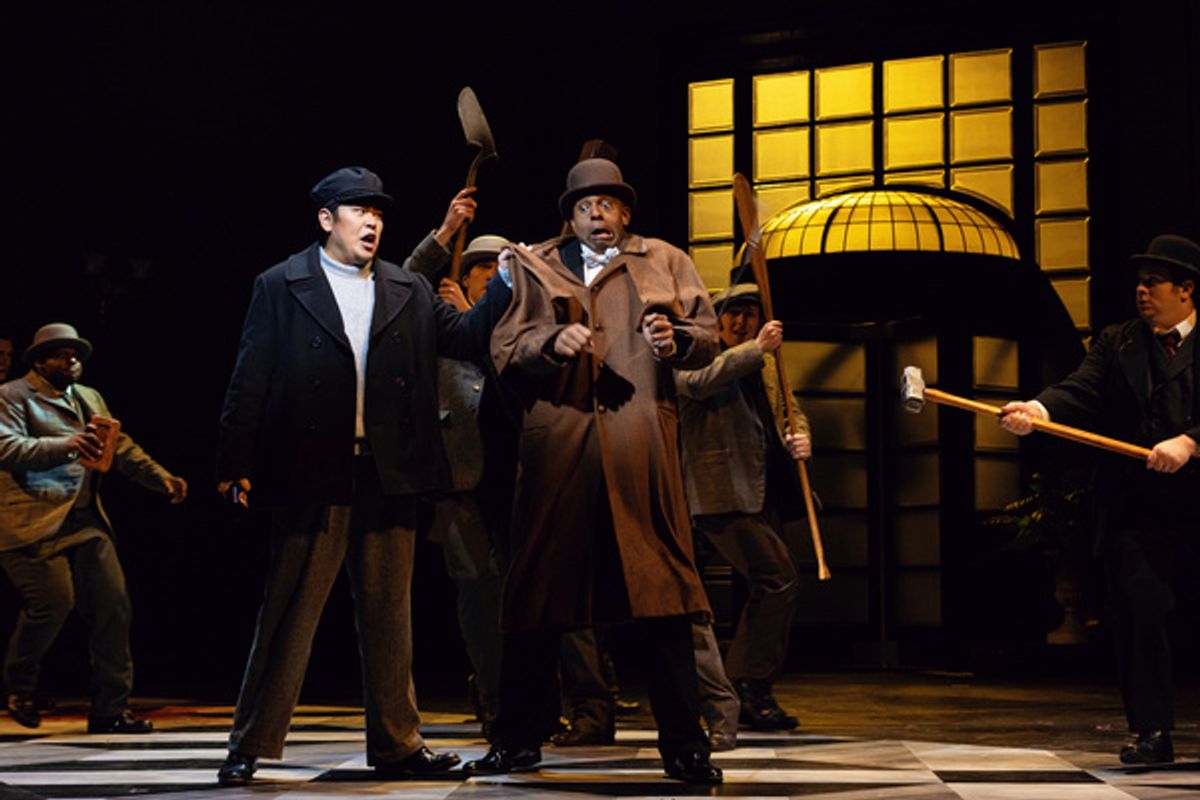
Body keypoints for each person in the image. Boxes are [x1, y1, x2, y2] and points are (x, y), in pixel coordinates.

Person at [214, 166, 485, 785]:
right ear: (325, 219)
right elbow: (249, 378)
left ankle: (398, 743)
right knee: (290, 610)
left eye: (379, 213)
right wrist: (235, 462)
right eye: (358, 210)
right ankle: (249, 742)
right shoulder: (283, 284)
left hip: (387, 471)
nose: (372, 221)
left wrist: (507, 290)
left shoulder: (403, 288)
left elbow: (466, 336)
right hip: (313, 470)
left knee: (391, 615)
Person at [463, 157, 724, 784]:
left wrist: (676, 341)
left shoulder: (665, 259)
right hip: (560, 446)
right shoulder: (538, 264)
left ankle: (686, 745)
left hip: (640, 448)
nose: (597, 215)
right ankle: (519, 738)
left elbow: (709, 335)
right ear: (570, 215)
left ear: (625, 212)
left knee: (662, 593)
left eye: (607, 204)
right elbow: (504, 346)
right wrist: (551, 344)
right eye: (585, 206)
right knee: (537, 596)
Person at [999, 233, 1200, 766]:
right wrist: (1038, 411)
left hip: (1195, 500)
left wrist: (1190, 440)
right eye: (1139, 281)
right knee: (1140, 612)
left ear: (1186, 290)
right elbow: (1080, 390)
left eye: (1153, 282)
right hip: (1137, 506)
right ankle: (1152, 730)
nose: (1142, 290)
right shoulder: (1120, 342)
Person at [0, 323, 187, 731]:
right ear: (39, 361)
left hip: (85, 522)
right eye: (62, 355)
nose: (72, 361)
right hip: (32, 524)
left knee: (113, 608)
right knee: (53, 604)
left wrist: (161, 478)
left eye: (75, 355)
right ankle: (18, 687)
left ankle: (110, 710)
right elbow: (7, 447)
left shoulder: (89, 397)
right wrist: (67, 444)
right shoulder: (12, 396)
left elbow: (119, 447)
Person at [675, 282, 810, 740]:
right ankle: (748, 687)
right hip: (720, 494)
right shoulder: (698, 355)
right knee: (778, 578)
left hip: (764, 490)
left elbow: (790, 409)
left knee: (771, 582)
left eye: (750, 314)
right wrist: (756, 348)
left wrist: (800, 436)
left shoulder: (767, 366)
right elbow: (696, 383)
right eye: (731, 313)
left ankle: (744, 687)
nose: (740, 322)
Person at [405, 224, 516, 739]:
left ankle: (526, 696)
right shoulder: (438, 318)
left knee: (520, 589)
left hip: (513, 474)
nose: (495, 278)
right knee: (479, 591)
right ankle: (496, 700)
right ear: (468, 275)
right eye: (486, 269)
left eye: (502, 271)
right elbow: (403, 282)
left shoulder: (513, 322)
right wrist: (445, 232)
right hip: (458, 476)